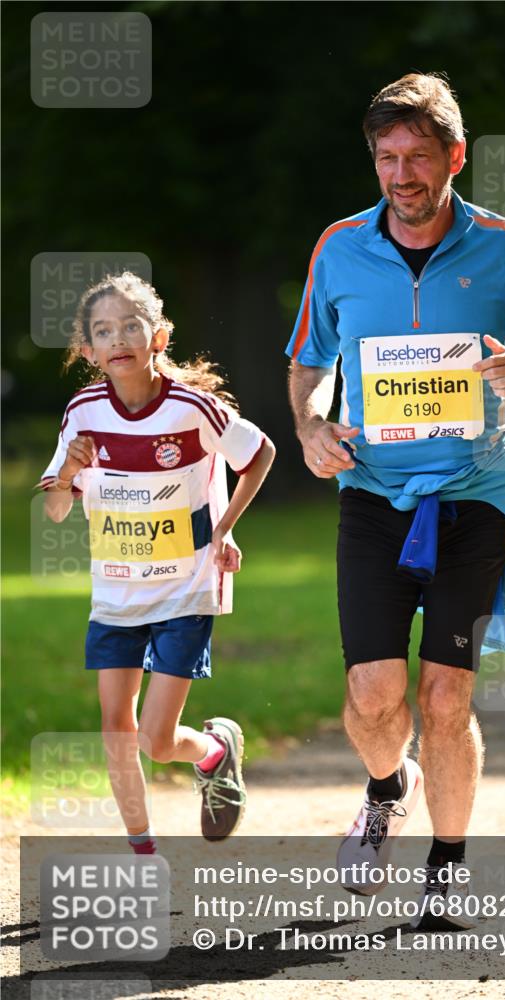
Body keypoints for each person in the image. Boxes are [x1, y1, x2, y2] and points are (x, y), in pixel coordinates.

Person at [285, 72, 505, 925]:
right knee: (375, 696)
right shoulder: (338, 247)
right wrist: (309, 426)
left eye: (418, 156)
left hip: (476, 495)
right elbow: (308, 359)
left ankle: (445, 868)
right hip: (372, 493)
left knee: (446, 697)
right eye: (386, 157)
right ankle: (387, 785)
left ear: (455, 156)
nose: (402, 174)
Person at [41, 272, 275, 851]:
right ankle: (142, 849)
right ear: (89, 351)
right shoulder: (84, 411)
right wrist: (69, 472)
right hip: (116, 595)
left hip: (186, 590)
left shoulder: (192, 407)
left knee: (155, 740)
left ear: (158, 337)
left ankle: (216, 751)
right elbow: (53, 510)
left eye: (130, 326)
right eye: (102, 331)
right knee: (115, 728)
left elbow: (260, 452)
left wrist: (223, 528)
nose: (117, 338)